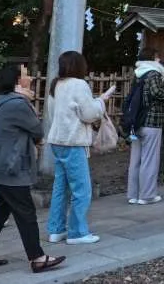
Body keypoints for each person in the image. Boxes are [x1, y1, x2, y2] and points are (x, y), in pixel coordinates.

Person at [0, 66, 65, 273]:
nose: (29, 78)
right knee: (26, 213)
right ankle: (38, 258)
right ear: (16, 81)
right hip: (12, 167)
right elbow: (37, 129)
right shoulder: (17, 104)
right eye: (25, 76)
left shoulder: (0, 101)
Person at [46, 51, 115, 245]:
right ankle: (77, 232)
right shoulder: (79, 85)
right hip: (74, 142)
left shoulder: (55, 84)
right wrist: (101, 101)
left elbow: (54, 113)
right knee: (81, 189)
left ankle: (56, 229)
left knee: (60, 187)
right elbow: (89, 114)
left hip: (57, 140)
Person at [126, 48, 164, 206]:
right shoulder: (153, 73)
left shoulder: (138, 74)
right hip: (152, 121)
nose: (159, 59)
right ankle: (147, 195)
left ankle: (133, 194)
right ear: (153, 58)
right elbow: (157, 93)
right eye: (157, 57)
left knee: (135, 159)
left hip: (136, 123)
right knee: (149, 159)